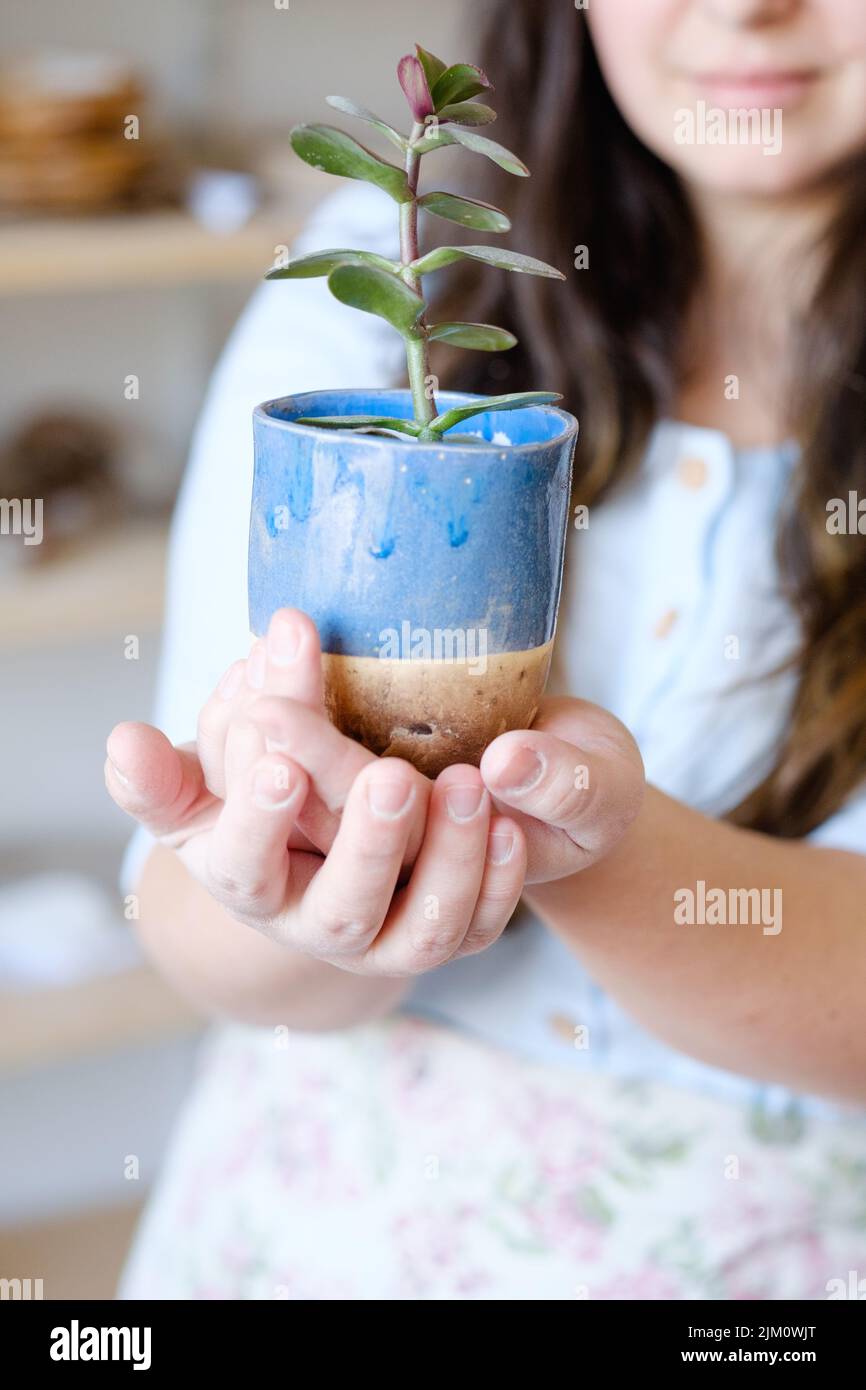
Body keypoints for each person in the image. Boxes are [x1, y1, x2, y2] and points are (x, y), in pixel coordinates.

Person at [108, 0, 866, 1299]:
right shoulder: (380, 285)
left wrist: (595, 847)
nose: (750, 4)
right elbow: (189, 922)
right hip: (296, 1232)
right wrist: (288, 880)